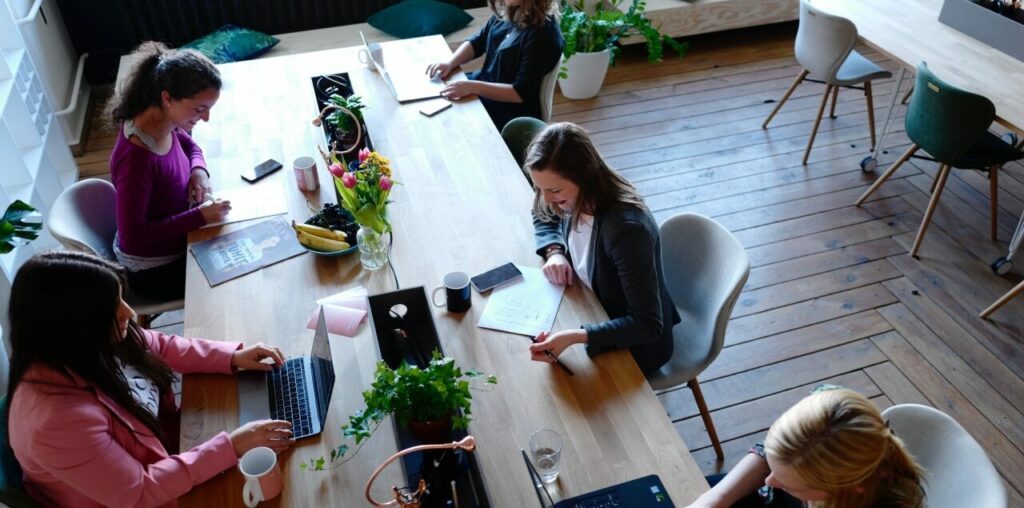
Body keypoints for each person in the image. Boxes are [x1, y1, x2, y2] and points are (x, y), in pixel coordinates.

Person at [5, 251, 293, 507]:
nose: (129, 313)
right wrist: (231, 446)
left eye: (120, 298)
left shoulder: (87, 342)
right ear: (71, 326)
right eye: (112, 307)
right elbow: (139, 492)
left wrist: (231, 357)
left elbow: (159, 346)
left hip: (168, 453)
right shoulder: (56, 423)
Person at [525, 122, 680, 376]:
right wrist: (554, 251)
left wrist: (577, 336)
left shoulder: (626, 230)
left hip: (635, 344)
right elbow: (542, 212)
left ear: (584, 175)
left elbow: (647, 324)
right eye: (540, 188)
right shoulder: (569, 194)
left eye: (554, 190)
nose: (547, 198)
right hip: (591, 305)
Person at [107, 41, 232, 301]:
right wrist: (199, 217)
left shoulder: (161, 120)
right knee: (236, 279)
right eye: (199, 109)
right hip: (155, 270)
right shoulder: (136, 160)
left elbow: (189, 144)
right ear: (167, 98)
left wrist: (199, 171)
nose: (206, 118)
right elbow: (135, 237)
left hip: (180, 235)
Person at [687, 388, 925, 508]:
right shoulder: (829, 410)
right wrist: (715, 499)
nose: (770, 480)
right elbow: (769, 454)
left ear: (851, 489)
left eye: (789, 483)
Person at [425, 0, 563, 130]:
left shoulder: (543, 35)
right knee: (435, 94)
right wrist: (450, 63)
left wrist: (472, 87)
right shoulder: (512, 9)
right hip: (483, 87)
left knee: (447, 119)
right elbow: (478, 41)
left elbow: (519, 93)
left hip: (509, 112)